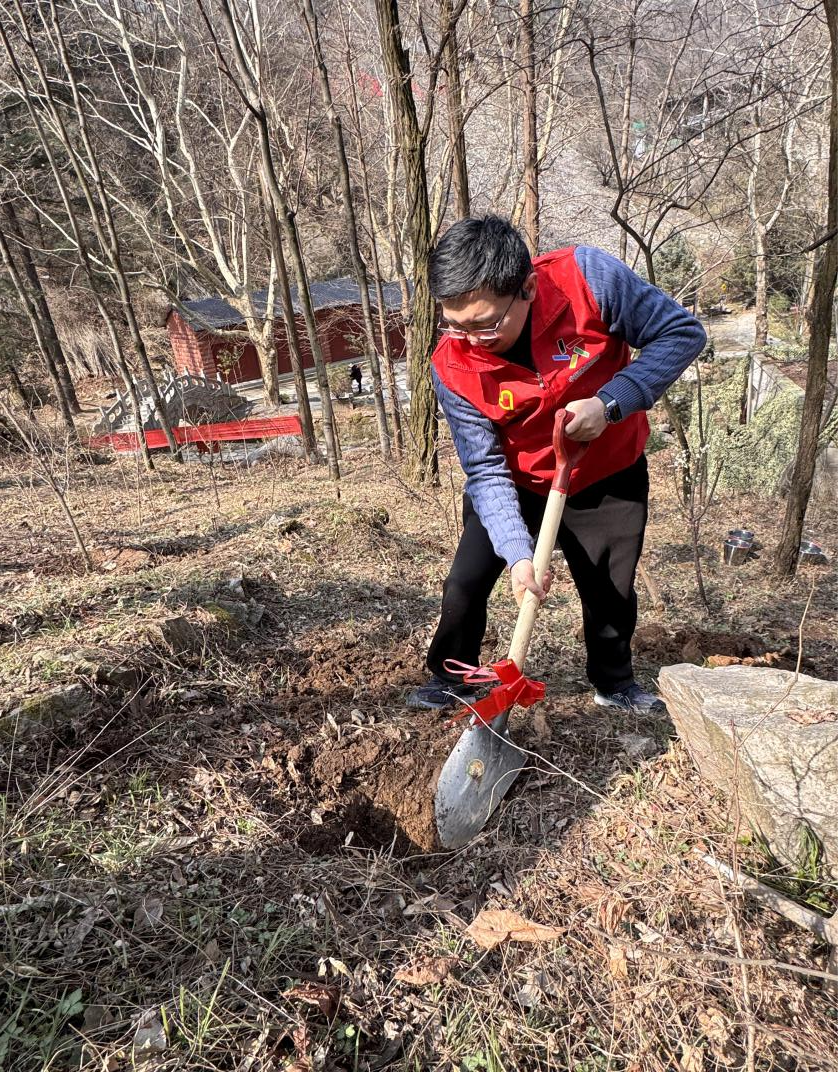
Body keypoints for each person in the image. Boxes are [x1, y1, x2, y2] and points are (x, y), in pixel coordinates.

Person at [407, 216, 706, 714]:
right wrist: (517, 554)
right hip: (517, 480)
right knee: (465, 583)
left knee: (609, 590)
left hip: (607, 470)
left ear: (527, 288)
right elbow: (484, 467)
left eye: (485, 324)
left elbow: (680, 333)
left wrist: (611, 402)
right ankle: (451, 676)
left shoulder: (588, 280)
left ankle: (614, 683)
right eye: (455, 324)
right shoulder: (451, 364)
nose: (471, 339)